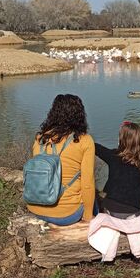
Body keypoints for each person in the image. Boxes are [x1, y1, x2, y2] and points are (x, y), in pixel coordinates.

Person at [27, 94, 96, 225]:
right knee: (94, 198)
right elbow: (88, 183)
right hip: (66, 214)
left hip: (35, 207)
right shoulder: (84, 140)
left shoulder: (40, 138)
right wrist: (88, 215)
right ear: (80, 115)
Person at [95, 122, 140, 218]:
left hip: (110, 208)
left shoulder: (113, 156)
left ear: (121, 140)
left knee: (98, 197)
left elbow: (97, 148)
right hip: (132, 212)